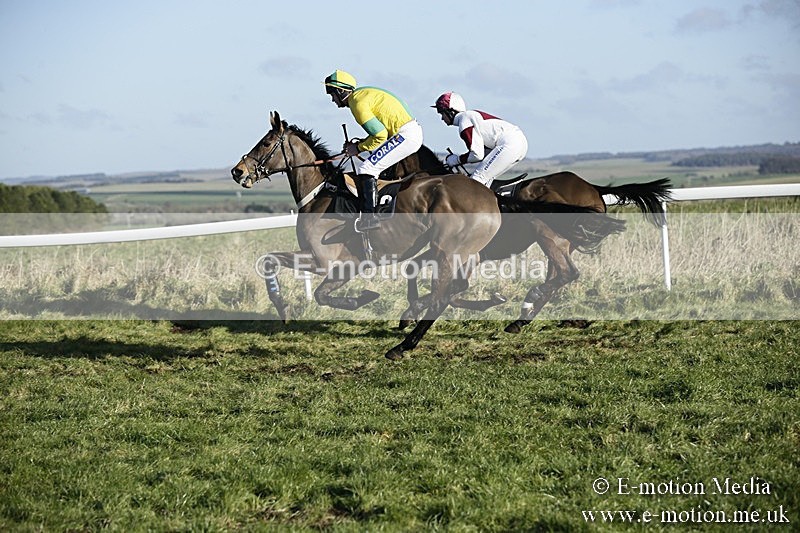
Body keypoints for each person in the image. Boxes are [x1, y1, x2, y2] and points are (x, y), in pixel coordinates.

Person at [324, 69, 423, 231]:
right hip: (408, 132)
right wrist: (361, 144)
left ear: (341, 91)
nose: (332, 100)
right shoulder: (362, 94)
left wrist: (357, 148)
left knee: (367, 168)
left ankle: (369, 219)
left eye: (332, 94)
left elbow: (380, 135)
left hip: (404, 135)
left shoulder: (357, 103)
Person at [433, 92, 528, 189]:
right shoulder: (469, 116)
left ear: (451, 111)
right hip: (518, 143)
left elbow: (477, 155)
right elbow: (484, 153)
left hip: (510, 144)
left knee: (476, 181)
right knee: (486, 181)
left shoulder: (464, 121)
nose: (442, 118)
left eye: (442, 113)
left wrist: (456, 160)